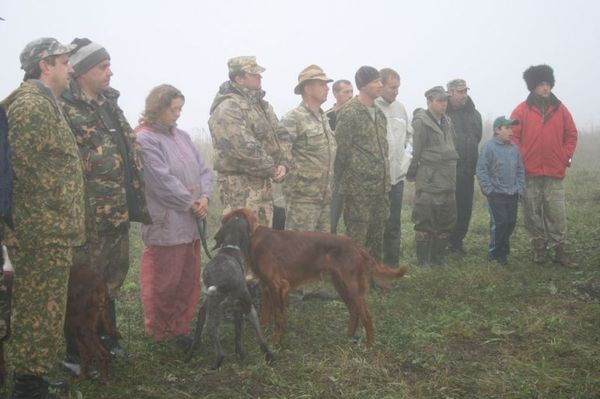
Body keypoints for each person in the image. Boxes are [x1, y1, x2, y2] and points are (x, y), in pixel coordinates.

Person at [1, 37, 86, 398]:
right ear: (44, 65)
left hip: (52, 228)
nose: (71, 68)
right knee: (37, 309)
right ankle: (27, 386)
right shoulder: (31, 107)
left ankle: (32, 377)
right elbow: (18, 169)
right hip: (38, 230)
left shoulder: (46, 104)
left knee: (47, 308)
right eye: (64, 61)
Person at [60, 38, 151, 370]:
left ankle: (106, 342)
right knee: (84, 283)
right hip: (88, 217)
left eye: (109, 65)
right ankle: (77, 352)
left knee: (111, 281)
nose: (110, 72)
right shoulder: (65, 107)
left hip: (117, 212)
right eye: (102, 66)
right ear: (82, 71)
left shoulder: (110, 105)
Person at [135, 84, 212, 345]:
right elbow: (160, 181)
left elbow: (203, 170)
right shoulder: (145, 139)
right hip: (167, 221)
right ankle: (159, 330)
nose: (177, 114)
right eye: (173, 109)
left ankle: (180, 327)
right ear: (157, 107)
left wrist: (205, 197)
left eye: (180, 109)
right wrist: (191, 202)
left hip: (190, 222)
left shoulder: (183, 136)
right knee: (164, 279)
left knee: (188, 278)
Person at [510, 64, 578, 267]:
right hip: (529, 173)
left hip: (554, 172)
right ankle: (539, 249)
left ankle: (560, 251)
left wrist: (565, 157)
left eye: (548, 84)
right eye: (541, 84)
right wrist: (522, 159)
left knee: (557, 214)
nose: (545, 88)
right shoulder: (521, 110)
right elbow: (513, 136)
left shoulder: (561, 109)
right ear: (532, 86)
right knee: (531, 214)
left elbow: (571, 134)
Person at [208, 56, 287, 227]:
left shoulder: (261, 106)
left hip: (261, 185)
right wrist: (272, 169)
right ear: (239, 78)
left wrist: (283, 163)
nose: (260, 77)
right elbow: (242, 147)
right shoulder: (228, 107)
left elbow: (280, 135)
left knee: (262, 239)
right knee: (242, 238)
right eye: (254, 74)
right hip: (239, 188)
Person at [279, 65, 337, 299]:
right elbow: (282, 153)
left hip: (324, 195)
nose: (326, 88)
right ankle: (292, 292)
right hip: (303, 195)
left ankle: (312, 288)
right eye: (322, 84)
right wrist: (297, 180)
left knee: (320, 245)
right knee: (298, 247)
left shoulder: (323, 117)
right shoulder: (294, 118)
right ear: (307, 88)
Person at [335, 66, 389, 263]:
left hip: (380, 187)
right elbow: (341, 150)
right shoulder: (350, 112)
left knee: (377, 236)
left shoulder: (379, 113)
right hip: (358, 189)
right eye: (376, 81)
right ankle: (353, 280)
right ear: (364, 85)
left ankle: (374, 276)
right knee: (357, 238)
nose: (380, 85)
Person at [407, 86, 458, 267]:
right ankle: (423, 261)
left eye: (445, 100)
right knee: (425, 222)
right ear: (429, 102)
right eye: (439, 100)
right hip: (429, 180)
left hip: (448, 181)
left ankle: (438, 259)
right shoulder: (421, 122)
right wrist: (412, 174)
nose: (444, 104)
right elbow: (415, 151)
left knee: (446, 221)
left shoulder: (448, 121)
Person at [375, 68, 413, 266]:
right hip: (375, 181)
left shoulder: (400, 108)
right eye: (393, 87)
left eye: (398, 87)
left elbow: (409, 138)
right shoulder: (370, 107)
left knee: (393, 225)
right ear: (380, 85)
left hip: (396, 180)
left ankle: (391, 268)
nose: (396, 92)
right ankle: (371, 270)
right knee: (375, 227)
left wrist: (405, 162)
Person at [476, 116, 525, 265]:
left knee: (510, 222)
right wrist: (489, 190)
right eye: (507, 128)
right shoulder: (488, 147)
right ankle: (495, 253)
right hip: (496, 194)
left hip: (512, 193)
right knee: (500, 223)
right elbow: (481, 170)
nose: (511, 131)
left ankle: (503, 251)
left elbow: (520, 170)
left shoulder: (514, 148)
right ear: (497, 130)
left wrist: (519, 187)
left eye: (512, 128)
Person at [445, 79, 482, 255]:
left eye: (465, 91)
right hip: (448, 172)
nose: (464, 95)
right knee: (447, 209)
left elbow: (477, 137)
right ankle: (443, 242)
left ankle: (457, 242)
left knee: (465, 208)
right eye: (460, 92)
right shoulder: (442, 113)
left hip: (468, 171)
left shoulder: (475, 115)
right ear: (450, 92)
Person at [327, 79, 354, 234]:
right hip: (336, 175)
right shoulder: (328, 117)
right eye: (346, 92)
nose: (350, 96)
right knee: (331, 219)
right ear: (336, 94)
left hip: (354, 174)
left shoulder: (358, 116)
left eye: (351, 92)